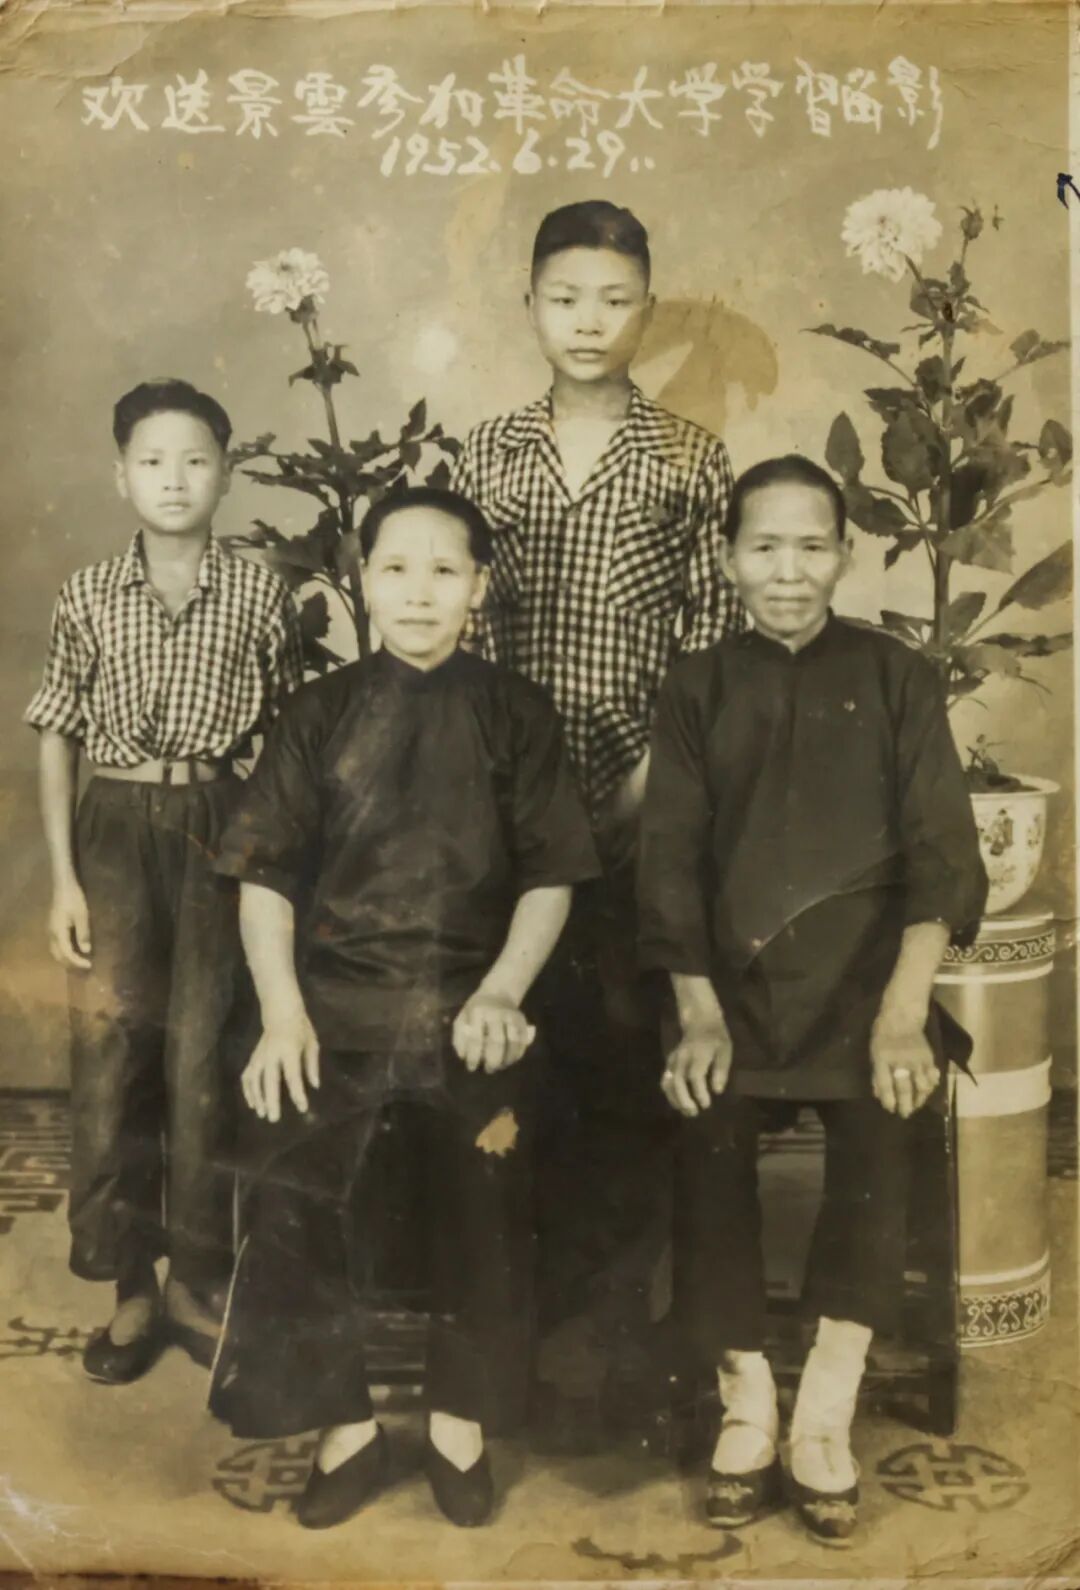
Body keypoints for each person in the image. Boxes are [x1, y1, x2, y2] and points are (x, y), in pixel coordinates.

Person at [208, 487, 598, 1530]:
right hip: (332, 1010)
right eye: (394, 568)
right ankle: (345, 1427)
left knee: (493, 1166)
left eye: (443, 570)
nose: (418, 592)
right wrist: (283, 1014)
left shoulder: (517, 713)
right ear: (363, 581)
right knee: (287, 1165)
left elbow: (551, 875)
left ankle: (458, 1421)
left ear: (479, 588)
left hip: (475, 1008)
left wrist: (504, 990)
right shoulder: (318, 713)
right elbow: (263, 877)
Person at [637, 454, 987, 1543]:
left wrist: (902, 1014)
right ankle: (746, 1397)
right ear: (727, 557)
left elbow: (943, 858)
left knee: (887, 1129)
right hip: (729, 997)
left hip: (866, 993)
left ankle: (827, 1405)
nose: (788, 571)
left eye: (812, 546)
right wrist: (697, 1011)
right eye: (764, 546)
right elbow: (669, 863)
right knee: (703, 1127)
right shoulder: (695, 685)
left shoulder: (896, 676)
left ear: (845, 554)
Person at [451, 199, 744, 1433]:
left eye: (614, 301)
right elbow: (462, 637)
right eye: (565, 298)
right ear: (529, 304)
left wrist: (641, 791)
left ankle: (612, 1356)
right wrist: (516, 808)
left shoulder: (688, 459)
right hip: (508, 821)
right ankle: (511, 1355)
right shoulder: (484, 455)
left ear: (646, 312)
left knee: (622, 1072)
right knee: (515, 1075)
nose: (589, 321)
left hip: (634, 814)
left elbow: (706, 644)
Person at [24, 378, 304, 1384]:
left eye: (195, 460)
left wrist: (271, 864)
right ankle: (130, 1283)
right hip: (113, 831)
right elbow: (56, 734)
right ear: (121, 476)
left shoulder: (261, 592)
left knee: (204, 1054)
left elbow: (289, 743)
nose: (174, 479)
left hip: (220, 831)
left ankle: (197, 1276)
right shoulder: (89, 593)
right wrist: (64, 880)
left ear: (226, 473)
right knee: (113, 1051)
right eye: (152, 461)